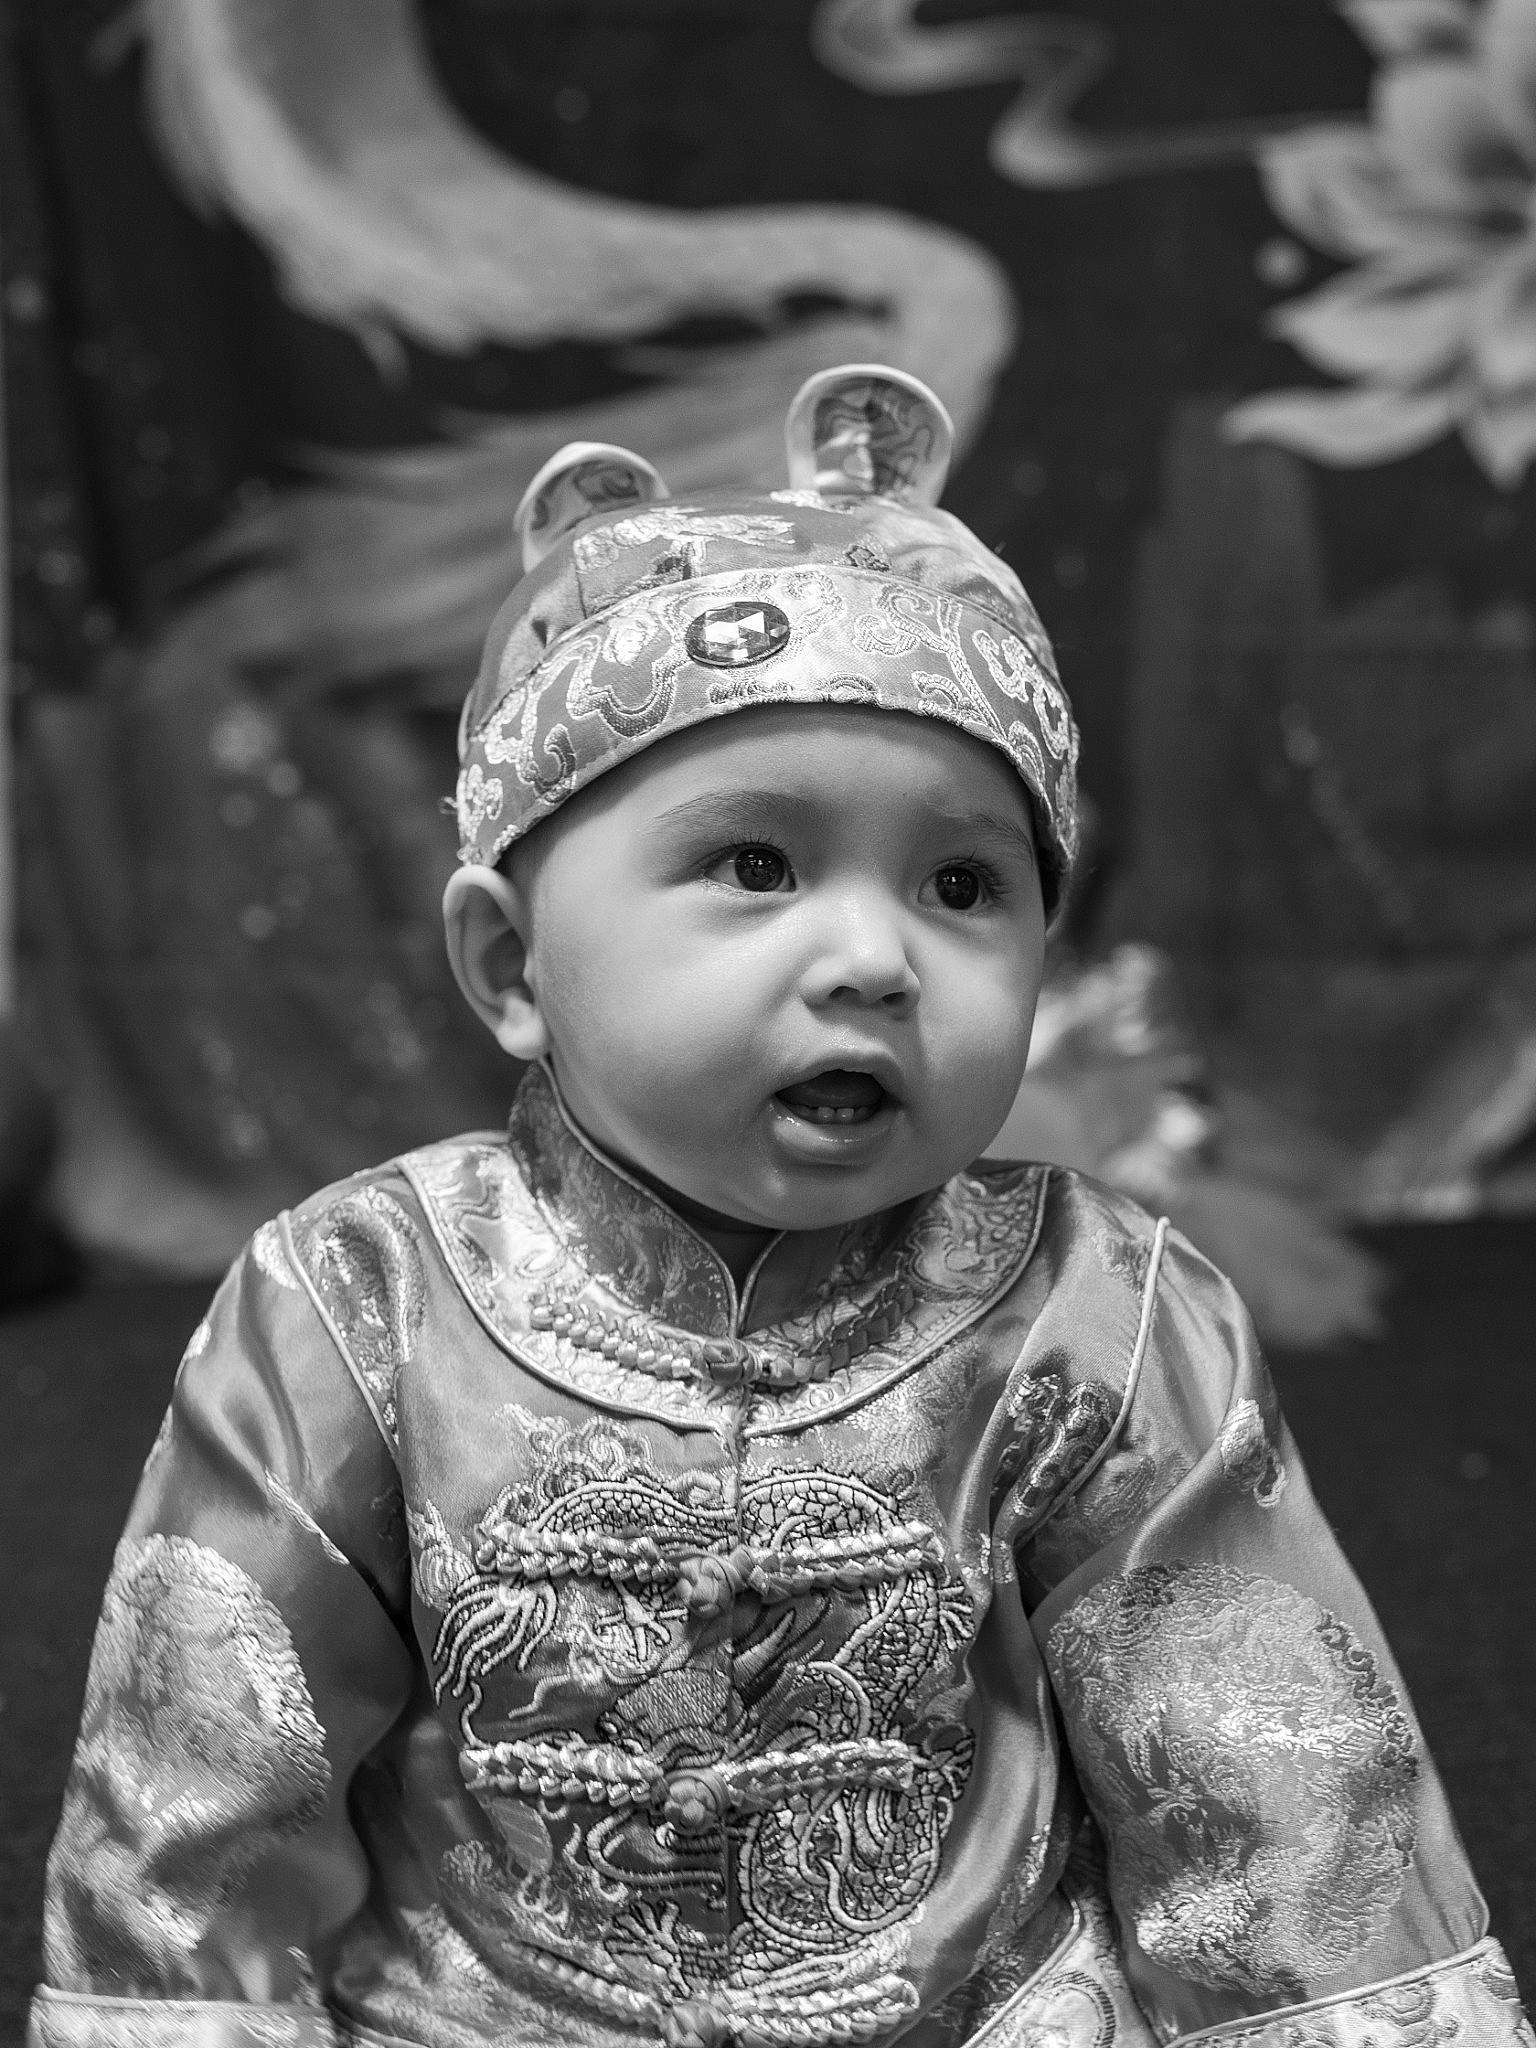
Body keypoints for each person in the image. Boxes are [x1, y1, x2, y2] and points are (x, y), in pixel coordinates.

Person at [28, 369, 1530, 2048]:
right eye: (757, 864)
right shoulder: (356, 1303)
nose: (877, 959)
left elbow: (1272, 1792)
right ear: (509, 965)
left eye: (964, 884)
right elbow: (209, 1786)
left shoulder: (1095, 1308)